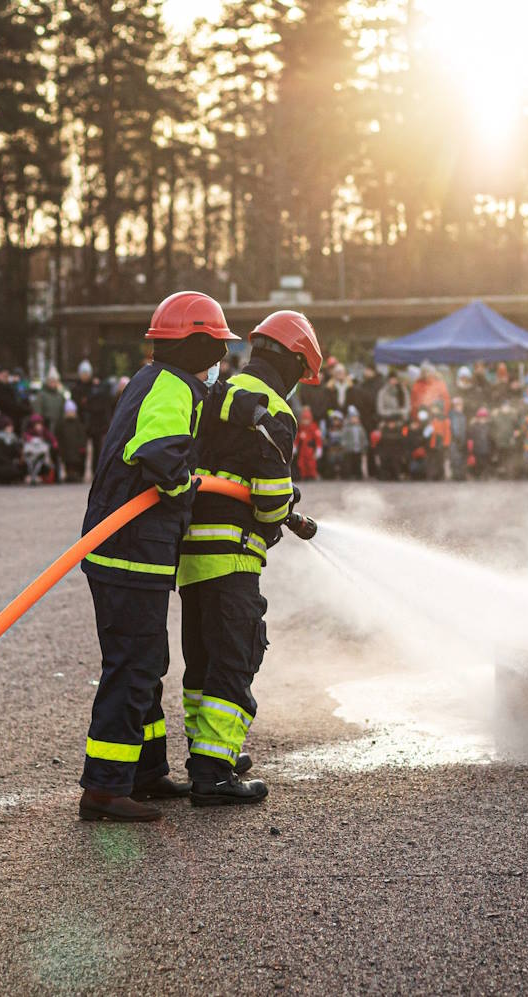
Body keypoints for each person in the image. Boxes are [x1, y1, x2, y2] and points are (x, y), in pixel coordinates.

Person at [78, 291, 237, 823]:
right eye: (216, 347)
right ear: (193, 345)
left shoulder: (153, 381)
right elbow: (158, 455)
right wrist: (184, 486)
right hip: (131, 553)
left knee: (147, 663)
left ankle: (143, 773)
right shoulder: (173, 386)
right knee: (134, 665)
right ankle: (104, 788)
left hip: (127, 552)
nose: (220, 360)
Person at [178, 309, 321, 806]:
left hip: (191, 553)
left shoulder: (219, 393)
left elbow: (223, 469)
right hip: (233, 552)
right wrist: (284, 507)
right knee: (235, 659)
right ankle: (214, 774)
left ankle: (205, 753)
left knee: (201, 658)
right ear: (294, 363)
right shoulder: (273, 409)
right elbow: (268, 499)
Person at [57, 399, 89, 483]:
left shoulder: (78, 424)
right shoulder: (62, 424)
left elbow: (82, 435)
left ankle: (76, 475)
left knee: (76, 463)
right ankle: (69, 475)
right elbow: (59, 436)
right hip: (66, 448)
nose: (70, 413)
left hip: (76, 448)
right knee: (68, 463)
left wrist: (82, 445)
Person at [22, 413, 57, 485]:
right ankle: (33, 457)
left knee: (44, 447)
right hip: (32, 450)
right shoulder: (30, 431)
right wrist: (31, 439)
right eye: (37, 425)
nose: (39, 426)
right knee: (29, 447)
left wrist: (54, 443)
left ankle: (42, 459)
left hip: (41, 450)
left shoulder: (44, 431)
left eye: (40, 424)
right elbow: (25, 436)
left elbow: (51, 437)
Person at [0, 415, 25, 484]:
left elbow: (17, 453)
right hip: (1, 464)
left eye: (11, 426)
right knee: (9, 470)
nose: (11, 428)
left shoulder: (13, 438)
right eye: (8, 426)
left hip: (10, 463)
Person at [33, 366, 67, 432]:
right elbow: (37, 410)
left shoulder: (60, 395)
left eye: (54, 381)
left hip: (58, 425)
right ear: (47, 381)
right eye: (51, 381)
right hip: (45, 425)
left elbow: (63, 411)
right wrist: (39, 422)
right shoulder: (41, 394)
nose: (53, 383)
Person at [294, 405, 322, 481]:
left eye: (307, 420)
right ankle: (303, 476)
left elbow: (318, 438)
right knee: (301, 463)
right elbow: (297, 438)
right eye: (304, 420)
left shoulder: (314, 427)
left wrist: (319, 448)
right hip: (302, 450)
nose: (305, 422)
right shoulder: (300, 428)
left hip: (310, 449)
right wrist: (295, 446)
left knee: (311, 463)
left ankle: (313, 475)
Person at [340, 405, 368, 479]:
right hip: (349, 448)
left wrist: (364, 444)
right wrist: (344, 444)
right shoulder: (346, 428)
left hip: (358, 448)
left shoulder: (361, 428)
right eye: (353, 418)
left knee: (358, 462)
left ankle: (358, 474)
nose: (355, 419)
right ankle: (347, 475)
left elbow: (363, 437)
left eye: (356, 418)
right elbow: (343, 437)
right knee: (348, 463)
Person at [449, 395, 469, 481]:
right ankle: (457, 476)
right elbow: (455, 428)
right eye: (458, 405)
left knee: (460, 458)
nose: (460, 406)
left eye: (461, 405)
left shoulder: (462, 416)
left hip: (461, 439)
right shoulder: (454, 415)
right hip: (455, 440)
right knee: (456, 458)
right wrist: (458, 438)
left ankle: (460, 475)